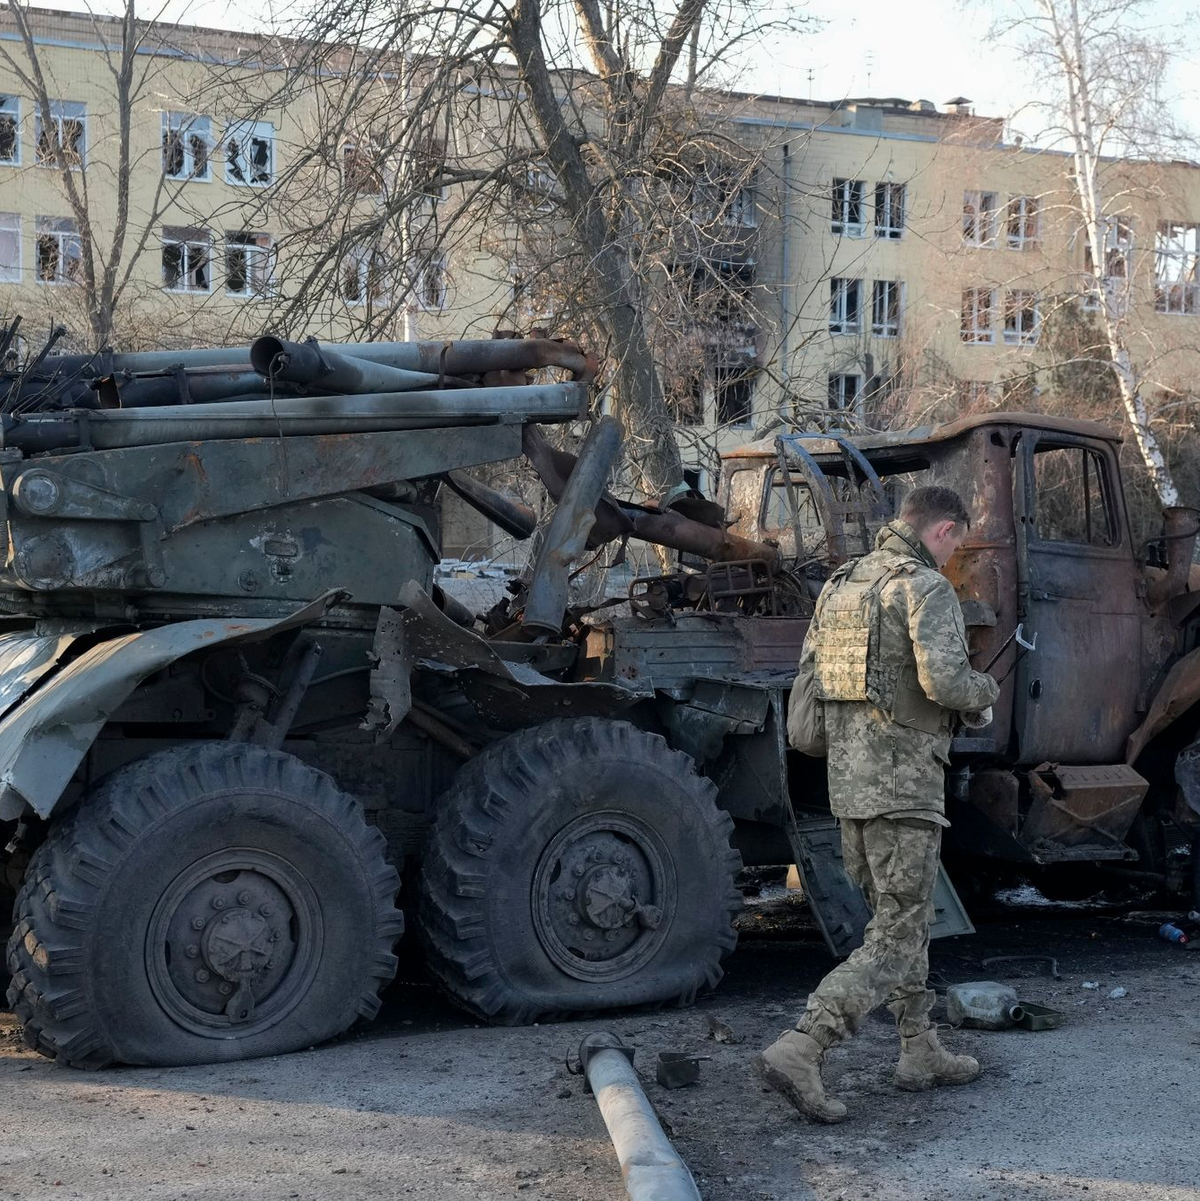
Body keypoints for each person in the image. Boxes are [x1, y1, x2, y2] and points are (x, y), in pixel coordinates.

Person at [754, 485, 1000, 1124]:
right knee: (898, 931)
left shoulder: (841, 585)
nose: (955, 558)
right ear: (943, 531)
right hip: (906, 784)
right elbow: (945, 681)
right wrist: (985, 688)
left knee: (901, 920)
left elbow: (809, 685)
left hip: (850, 788)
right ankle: (805, 1043)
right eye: (957, 544)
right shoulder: (923, 588)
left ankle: (919, 1049)